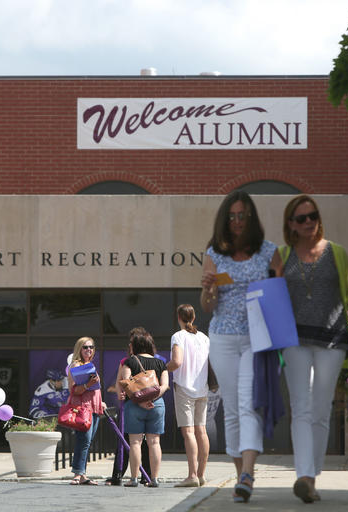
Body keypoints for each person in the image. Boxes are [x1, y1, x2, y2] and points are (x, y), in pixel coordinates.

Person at [200, 190, 283, 503]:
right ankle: (241, 478)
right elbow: (208, 306)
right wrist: (208, 290)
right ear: (225, 219)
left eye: (242, 216)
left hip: (256, 338)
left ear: (251, 219)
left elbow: (280, 294)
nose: (236, 221)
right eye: (232, 216)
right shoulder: (215, 254)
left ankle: (248, 470)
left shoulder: (268, 252)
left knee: (250, 403)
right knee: (232, 409)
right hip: (222, 336)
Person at [278, 195, 348, 503]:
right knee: (301, 407)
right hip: (294, 340)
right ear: (291, 224)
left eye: (312, 216)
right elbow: (274, 295)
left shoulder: (337, 252)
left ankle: (313, 472)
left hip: (332, 339)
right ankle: (304, 477)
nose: (308, 222)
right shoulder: (282, 255)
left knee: (322, 408)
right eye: (301, 218)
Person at [117, 330, 169, 488]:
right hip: (157, 405)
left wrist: (140, 401)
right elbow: (165, 385)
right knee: (154, 442)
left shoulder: (130, 362)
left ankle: (133, 479)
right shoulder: (160, 363)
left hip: (135, 405)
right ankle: (154, 479)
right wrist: (152, 398)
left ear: (136, 346)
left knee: (135, 443)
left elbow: (125, 383)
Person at [166, 304, 211, 488]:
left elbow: (176, 362)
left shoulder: (178, 336)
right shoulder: (204, 338)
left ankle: (192, 475)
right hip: (203, 388)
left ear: (179, 317)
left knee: (189, 433)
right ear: (193, 318)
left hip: (184, 387)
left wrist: (161, 367)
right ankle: (201, 475)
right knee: (202, 431)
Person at [105, 327, 152, 486]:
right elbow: (120, 382)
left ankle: (146, 476)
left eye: (134, 342)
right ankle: (118, 475)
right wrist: (120, 393)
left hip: (145, 404)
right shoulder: (125, 362)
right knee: (124, 441)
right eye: (131, 342)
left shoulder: (151, 360)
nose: (131, 345)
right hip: (131, 404)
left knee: (145, 442)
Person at [66, 336, 106, 485]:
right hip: (83, 408)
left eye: (91, 347)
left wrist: (101, 402)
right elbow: (73, 389)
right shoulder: (76, 365)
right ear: (79, 349)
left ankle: (82, 474)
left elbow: (96, 389)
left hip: (94, 407)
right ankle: (77, 473)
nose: (89, 349)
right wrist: (89, 384)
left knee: (87, 442)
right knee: (83, 441)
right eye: (85, 347)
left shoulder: (90, 364)